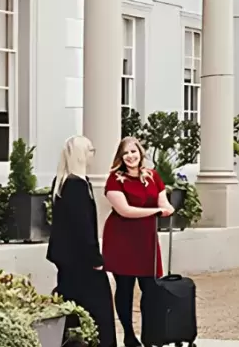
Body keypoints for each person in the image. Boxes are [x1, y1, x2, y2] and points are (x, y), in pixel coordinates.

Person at [102, 136, 175, 347]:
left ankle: (150, 334)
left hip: (146, 239)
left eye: (133, 151)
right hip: (121, 238)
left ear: (140, 153)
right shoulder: (114, 179)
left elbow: (164, 202)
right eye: (125, 153)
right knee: (125, 288)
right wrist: (157, 211)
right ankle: (128, 334)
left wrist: (167, 209)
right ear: (120, 157)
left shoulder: (153, 176)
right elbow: (124, 210)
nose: (130, 156)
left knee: (151, 288)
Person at [45, 135, 117, 347]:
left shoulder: (63, 183)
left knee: (73, 304)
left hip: (67, 258)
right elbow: (83, 226)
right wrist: (95, 257)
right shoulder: (76, 186)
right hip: (81, 259)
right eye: (90, 150)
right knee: (100, 306)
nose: (93, 153)